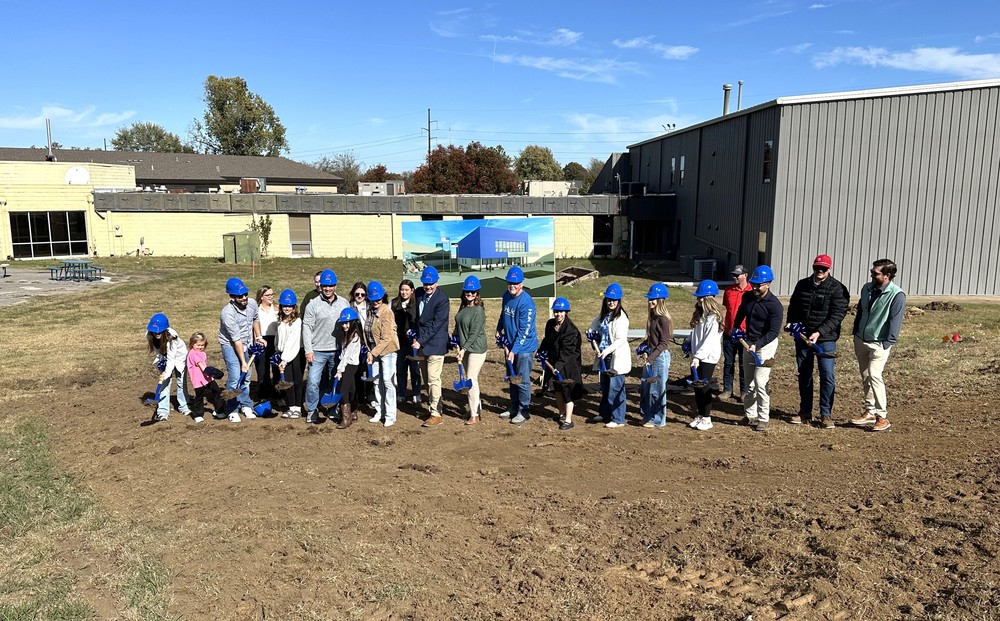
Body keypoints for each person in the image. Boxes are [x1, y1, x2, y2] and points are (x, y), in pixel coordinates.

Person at [785, 254, 850, 428]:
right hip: (803, 337)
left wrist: (820, 333)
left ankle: (825, 414)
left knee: (827, 375)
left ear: (830, 269)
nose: (820, 271)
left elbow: (838, 315)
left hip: (825, 340)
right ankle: (805, 411)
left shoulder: (837, 289)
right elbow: (793, 306)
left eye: (823, 268)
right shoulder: (802, 285)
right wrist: (791, 324)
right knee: (804, 375)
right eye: (817, 268)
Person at [851, 259, 906, 432]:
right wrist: (856, 332)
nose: (872, 275)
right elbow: (860, 310)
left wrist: (888, 342)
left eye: (876, 273)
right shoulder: (867, 288)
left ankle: (882, 417)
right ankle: (870, 411)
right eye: (872, 271)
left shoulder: (897, 295)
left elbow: (895, 320)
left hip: (879, 343)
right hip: (861, 339)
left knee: (875, 375)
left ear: (887, 276)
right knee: (866, 376)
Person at [733, 266, 783, 432]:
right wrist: (736, 329)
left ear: (768, 284)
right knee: (749, 383)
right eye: (753, 284)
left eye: (758, 285)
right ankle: (750, 415)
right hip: (749, 342)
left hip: (766, 346)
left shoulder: (775, 305)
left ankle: (763, 418)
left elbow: (774, 332)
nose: (754, 288)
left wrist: (758, 344)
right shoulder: (748, 297)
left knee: (760, 382)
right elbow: (740, 313)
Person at [302, 269, 348, 424]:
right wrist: (308, 350)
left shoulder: (343, 303)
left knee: (333, 381)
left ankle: (332, 408)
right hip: (317, 350)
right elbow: (307, 327)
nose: (328, 289)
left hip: (336, 350)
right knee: (313, 382)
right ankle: (312, 410)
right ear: (320, 286)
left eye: (331, 286)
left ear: (335, 286)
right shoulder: (312, 305)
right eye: (325, 286)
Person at [496, 265, 538, 426]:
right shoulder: (506, 296)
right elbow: (503, 314)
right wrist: (498, 328)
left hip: (524, 348)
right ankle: (514, 406)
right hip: (510, 345)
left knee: (522, 379)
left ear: (522, 283)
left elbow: (524, 331)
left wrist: (514, 350)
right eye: (510, 282)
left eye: (516, 283)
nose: (512, 285)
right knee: (512, 378)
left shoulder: (526, 303)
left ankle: (524, 410)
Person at [588, 283, 632, 428]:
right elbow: (593, 327)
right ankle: (605, 413)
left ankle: (618, 418)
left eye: (614, 300)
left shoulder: (621, 318)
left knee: (616, 388)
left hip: (615, 356)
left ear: (619, 301)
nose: (611, 302)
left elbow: (620, 339)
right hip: (603, 356)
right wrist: (590, 334)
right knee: (605, 386)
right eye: (609, 299)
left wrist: (606, 350)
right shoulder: (603, 316)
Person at [218, 278, 260, 423]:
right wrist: (243, 361)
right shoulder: (227, 313)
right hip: (230, 344)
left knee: (247, 376)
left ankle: (246, 404)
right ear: (232, 297)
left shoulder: (252, 303)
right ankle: (232, 409)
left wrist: (259, 336)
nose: (243, 298)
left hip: (246, 342)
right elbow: (236, 340)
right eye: (239, 296)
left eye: (245, 294)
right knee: (236, 375)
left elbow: (256, 319)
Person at [538, 297, 583, 431]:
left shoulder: (571, 331)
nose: (558, 314)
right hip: (553, 361)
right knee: (555, 388)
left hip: (568, 364)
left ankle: (569, 420)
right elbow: (547, 340)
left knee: (566, 391)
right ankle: (561, 414)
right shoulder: (550, 324)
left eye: (561, 311)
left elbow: (567, 353)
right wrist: (541, 351)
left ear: (566, 312)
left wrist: (556, 367)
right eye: (556, 311)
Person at [413, 266, 450, 426]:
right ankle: (433, 406)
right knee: (427, 379)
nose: (428, 286)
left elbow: (436, 325)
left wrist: (420, 340)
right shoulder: (419, 294)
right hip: (421, 344)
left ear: (437, 282)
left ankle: (436, 413)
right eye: (425, 283)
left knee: (433, 379)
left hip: (435, 344)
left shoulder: (442, 299)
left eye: (431, 283)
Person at [687, 281, 724, 431]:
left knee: (703, 386)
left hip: (707, 357)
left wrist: (698, 357)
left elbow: (708, 341)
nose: (699, 300)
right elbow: (696, 334)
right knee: (696, 387)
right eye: (698, 298)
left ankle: (707, 417)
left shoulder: (713, 318)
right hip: (697, 355)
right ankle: (700, 414)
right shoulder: (701, 314)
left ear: (709, 298)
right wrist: (688, 342)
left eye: (701, 298)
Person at [364, 281, 400, 427]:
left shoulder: (387, 312)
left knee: (387, 381)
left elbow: (387, 338)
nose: (376, 301)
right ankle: (380, 411)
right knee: (377, 382)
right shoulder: (370, 311)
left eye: (378, 298)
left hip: (388, 351)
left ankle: (391, 415)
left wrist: (372, 352)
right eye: (373, 299)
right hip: (374, 351)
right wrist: (369, 350)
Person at [453, 275, 488, 425]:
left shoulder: (478, 311)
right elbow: (458, 325)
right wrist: (455, 340)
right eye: (468, 291)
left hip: (476, 349)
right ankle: (476, 409)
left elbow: (474, 333)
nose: (470, 294)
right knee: (471, 378)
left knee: (471, 379)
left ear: (477, 294)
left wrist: (464, 348)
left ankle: (474, 414)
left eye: (473, 292)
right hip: (464, 348)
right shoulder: (463, 307)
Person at [146, 313, 192, 422]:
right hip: (165, 357)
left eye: (159, 331)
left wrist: (166, 374)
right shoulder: (149, 335)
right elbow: (159, 352)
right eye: (154, 330)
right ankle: (162, 411)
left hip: (179, 358)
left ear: (165, 329)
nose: (156, 333)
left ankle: (184, 406)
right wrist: (162, 368)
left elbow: (172, 359)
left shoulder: (172, 339)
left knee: (181, 382)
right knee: (164, 385)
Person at [639, 283, 672, 429]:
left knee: (657, 390)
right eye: (649, 299)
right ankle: (648, 415)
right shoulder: (652, 317)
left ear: (661, 301)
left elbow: (664, 343)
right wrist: (644, 346)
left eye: (653, 299)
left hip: (659, 357)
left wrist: (652, 357)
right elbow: (652, 338)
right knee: (646, 387)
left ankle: (658, 419)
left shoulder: (663, 319)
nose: (650, 302)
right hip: (651, 354)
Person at [722, 265, 751, 401]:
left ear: (745, 275)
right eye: (733, 275)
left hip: (744, 335)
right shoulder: (728, 291)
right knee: (728, 362)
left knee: (743, 364)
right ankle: (727, 389)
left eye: (737, 275)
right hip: (729, 333)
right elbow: (727, 309)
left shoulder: (751, 291)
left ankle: (744, 391)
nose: (734, 277)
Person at [275, 289, 305, 420]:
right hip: (284, 355)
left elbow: (293, 342)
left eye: (290, 306)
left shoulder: (297, 321)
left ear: (294, 307)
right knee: (287, 381)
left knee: (297, 381)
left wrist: (284, 359)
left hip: (296, 354)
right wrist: (278, 352)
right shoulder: (280, 320)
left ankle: (298, 407)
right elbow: (279, 338)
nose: (287, 308)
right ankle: (291, 406)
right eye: (285, 305)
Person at [392, 279, 422, 405]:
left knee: (415, 369)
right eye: (402, 290)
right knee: (401, 368)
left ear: (412, 291)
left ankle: (416, 393)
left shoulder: (416, 304)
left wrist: (416, 337)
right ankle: (401, 393)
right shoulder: (394, 304)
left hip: (413, 342)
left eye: (406, 290)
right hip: (400, 342)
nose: (404, 292)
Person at [186, 332, 224, 423]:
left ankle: (219, 410)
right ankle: (198, 414)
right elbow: (201, 366)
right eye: (198, 345)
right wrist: (211, 373)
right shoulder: (193, 354)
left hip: (207, 378)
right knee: (199, 396)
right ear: (192, 344)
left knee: (216, 391)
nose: (200, 347)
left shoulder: (201, 353)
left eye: (202, 345)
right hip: (199, 379)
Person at [334, 307, 362, 429]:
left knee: (343, 389)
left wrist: (340, 370)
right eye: (343, 323)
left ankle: (346, 418)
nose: (344, 326)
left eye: (346, 323)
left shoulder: (354, 337)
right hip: (348, 364)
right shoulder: (346, 334)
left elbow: (346, 356)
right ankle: (354, 411)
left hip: (350, 365)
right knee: (351, 388)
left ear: (353, 323)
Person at [348, 281, 373, 409]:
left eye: (362, 294)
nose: (359, 297)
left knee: (370, 368)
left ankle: (369, 395)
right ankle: (358, 395)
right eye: (357, 294)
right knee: (357, 370)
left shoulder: (370, 307)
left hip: (369, 341)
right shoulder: (349, 307)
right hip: (356, 342)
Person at [253, 284, 279, 400]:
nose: (270, 297)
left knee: (277, 369)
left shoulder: (277, 308)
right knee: (263, 371)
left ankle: (279, 395)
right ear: (261, 296)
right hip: (261, 340)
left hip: (275, 340)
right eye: (268, 295)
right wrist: (256, 340)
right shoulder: (256, 310)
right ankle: (264, 395)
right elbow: (253, 326)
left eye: (272, 294)